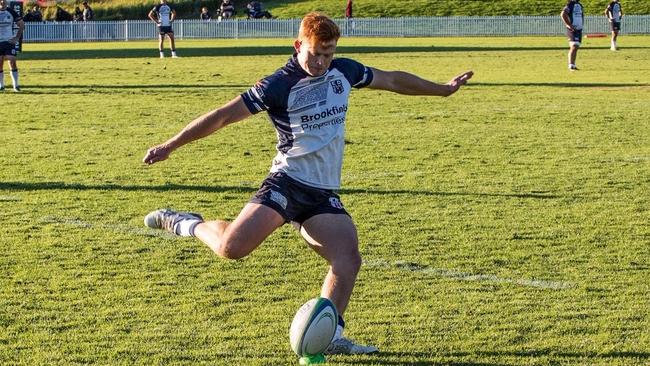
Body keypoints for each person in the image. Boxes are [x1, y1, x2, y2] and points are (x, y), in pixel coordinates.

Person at [142, 12, 472, 355]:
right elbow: (223, 116)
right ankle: (186, 223)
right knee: (231, 249)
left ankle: (329, 337)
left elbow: (392, 80)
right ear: (298, 45)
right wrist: (171, 145)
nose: (321, 61)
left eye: (328, 53)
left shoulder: (344, 71)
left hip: (320, 192)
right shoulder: (278, 85)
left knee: (347, 260)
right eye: (315, 52)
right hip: (287, 183)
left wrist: (443, 90)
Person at [0, 0, 24, 92]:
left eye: (4, 0)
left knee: (12, 62)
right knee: (0, 64)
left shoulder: (11, 11)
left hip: (9, 42)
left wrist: (16, 38)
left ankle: (16, 86)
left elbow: (21, 25)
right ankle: (1, 86)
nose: (2, 2)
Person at [561, 0, 584, 71]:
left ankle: (573, 65)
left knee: (576, 47)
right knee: (574, 46)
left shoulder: (579, 5)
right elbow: (563, 14)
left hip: (578, 29)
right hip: (573, 29)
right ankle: (570, 65)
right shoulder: (570, 4)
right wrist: (569, 25)